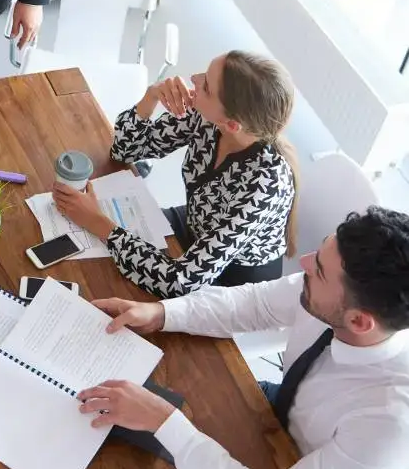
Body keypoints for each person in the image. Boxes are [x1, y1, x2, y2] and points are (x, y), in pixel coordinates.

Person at [78, 208, 409, 469]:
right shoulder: (333, 297)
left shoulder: (391, 418)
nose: (305, 263)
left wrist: (163, 422)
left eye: (320, 270)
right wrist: (162, 313)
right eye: (322, 249)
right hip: (284, 417)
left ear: (359, 322)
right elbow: (255, 303)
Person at [53, 51, 298, 296]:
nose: (194, 78)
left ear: (232, 124)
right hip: (193, 225)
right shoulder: (207, 118)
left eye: (206, 86)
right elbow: (124, 151)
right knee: (88, 256)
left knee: (103, 282)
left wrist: (99, 224)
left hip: (231, 279)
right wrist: (151, 97)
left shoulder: (266, 186)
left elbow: (180, 282)